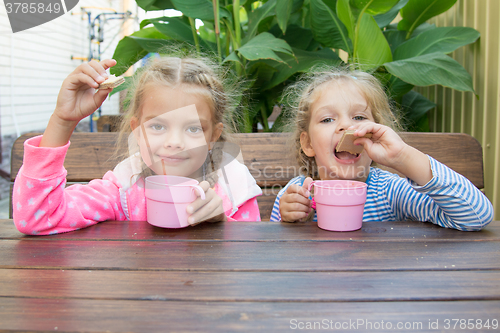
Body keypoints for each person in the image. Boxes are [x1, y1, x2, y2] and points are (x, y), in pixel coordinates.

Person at [13, 56, 262, 235]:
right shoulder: (123, 188)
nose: (174, 142)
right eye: (157, 126)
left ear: (213, 136)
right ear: (137, 131)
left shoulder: (233, 188)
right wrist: (62, 120)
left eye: (193, 128)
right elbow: (39, 218)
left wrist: (220, 223)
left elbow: (251, 261)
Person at [270, 67, 493, 231]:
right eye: (328, 119)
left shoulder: (389, 191)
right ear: (308, 143)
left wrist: (403, 156)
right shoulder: (296, 194)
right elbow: (275, 257)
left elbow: (476, 215)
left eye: (359, 117)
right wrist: (290, 222)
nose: (346, 126)